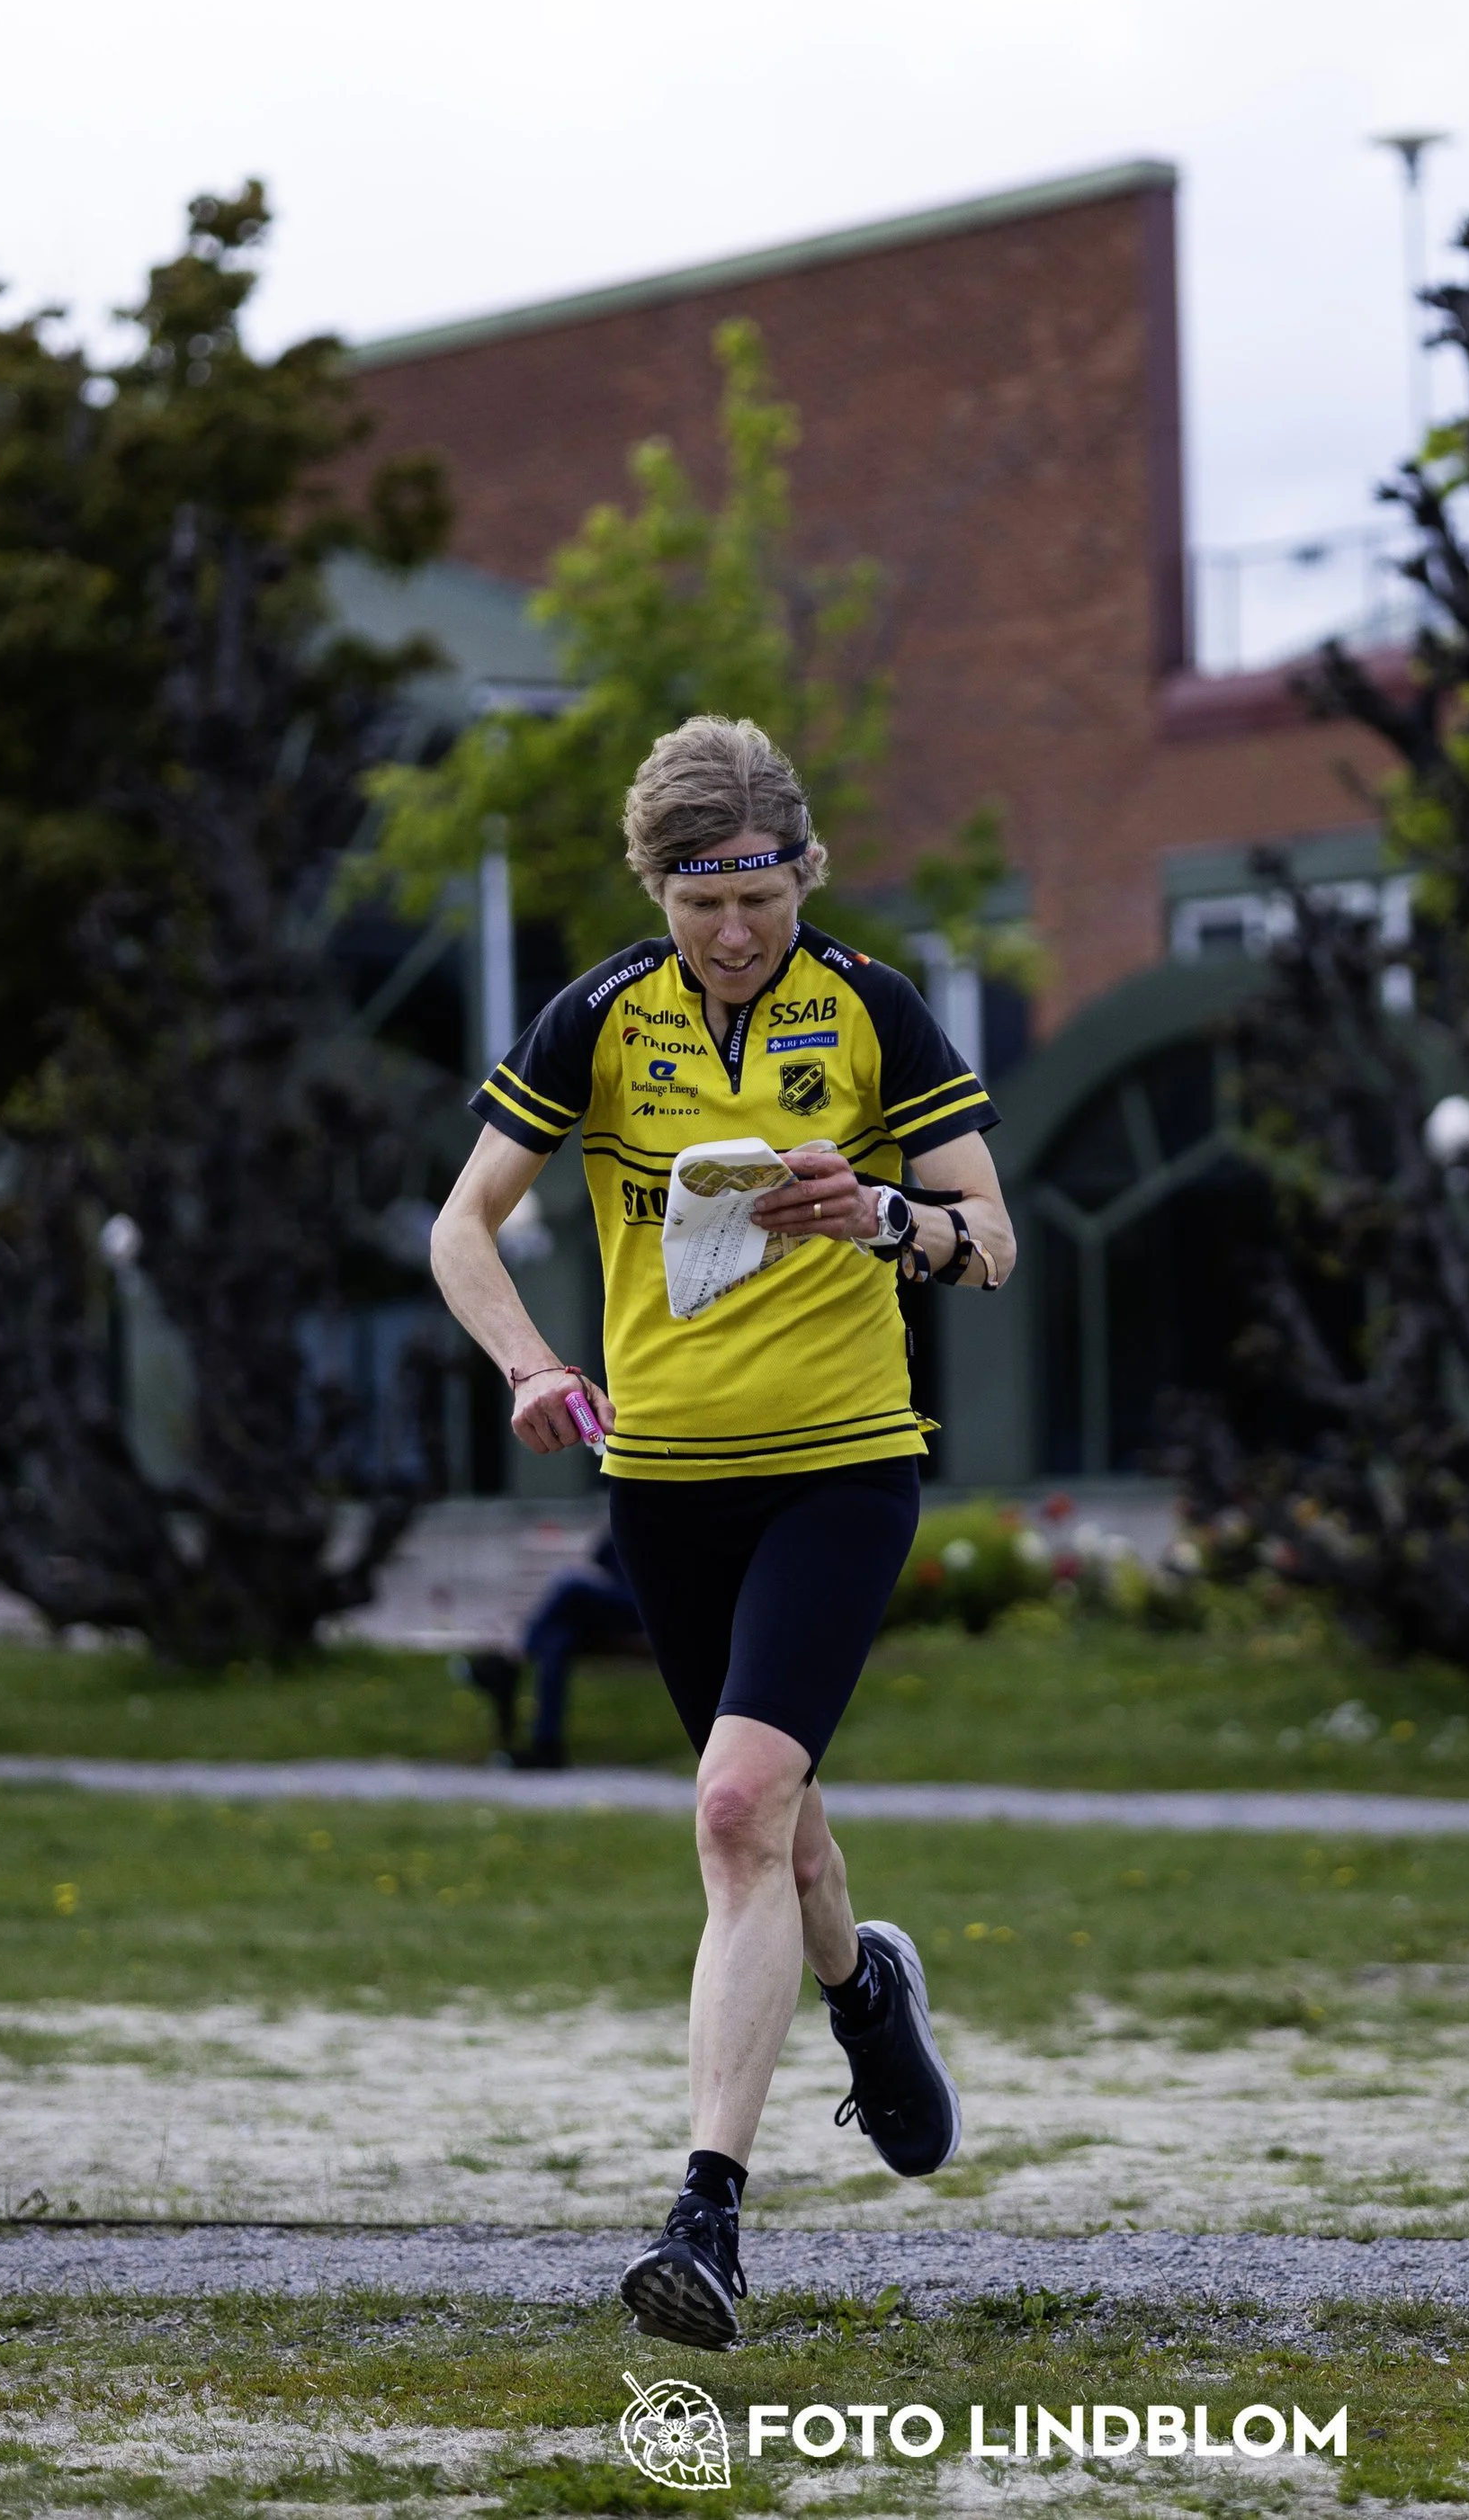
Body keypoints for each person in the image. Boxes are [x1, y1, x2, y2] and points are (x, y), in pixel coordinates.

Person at [428, 713, 1015, 2351]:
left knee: (737, 1801)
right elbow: (462, 1227)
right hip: (667, 1482)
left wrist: (889, 1217)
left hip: (842, 1465)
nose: (735, 935)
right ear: (659, 891)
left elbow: (995, 1240)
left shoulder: (875, 1009)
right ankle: (866, 1995)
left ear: (803, 876)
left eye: (759, 899)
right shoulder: (599, 1020)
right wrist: (535, 1364)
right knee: (779, 1828)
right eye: (702, 905)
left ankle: (707, 2221)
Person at [454, 1525, 651, 1768]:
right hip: (616, 1604)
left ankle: (511, 1662)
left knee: (569, 1584)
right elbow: (603, 1552)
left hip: (646, 1607)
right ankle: (547, 1748)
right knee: (557, 1641)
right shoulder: (637, 1502)